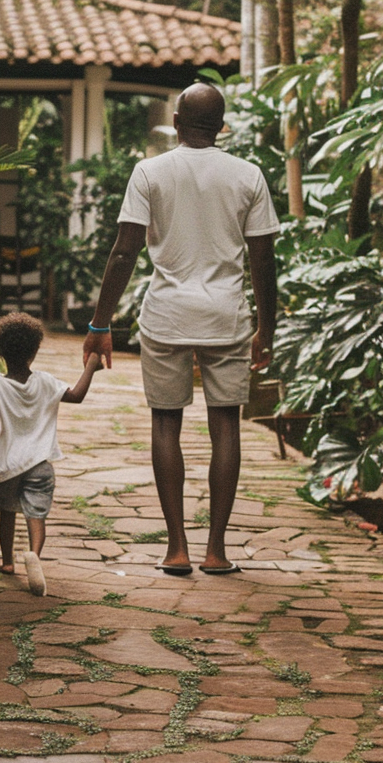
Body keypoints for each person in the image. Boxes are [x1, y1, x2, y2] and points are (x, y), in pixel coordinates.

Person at [82, 82, 279, 578]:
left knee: (166, 422)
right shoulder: (248, 175)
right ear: (223, 123)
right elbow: (264, 262)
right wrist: (267, 330)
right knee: (225, 424)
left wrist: (99, 323)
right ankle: (216, 551)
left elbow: (125, 250)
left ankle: (176, 549)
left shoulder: (150, 171)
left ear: (175, 118)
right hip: (227, 318)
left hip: (167, 314)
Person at [0, 311, 104, 596]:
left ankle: (8, 563)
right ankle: (34, 555)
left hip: (8, 467)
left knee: (6, 514)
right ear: (34, 352)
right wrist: (91, 366)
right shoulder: (45, 382)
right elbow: (76, 395)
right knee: (37, 516)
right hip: (40, 465)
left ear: (0, 351)